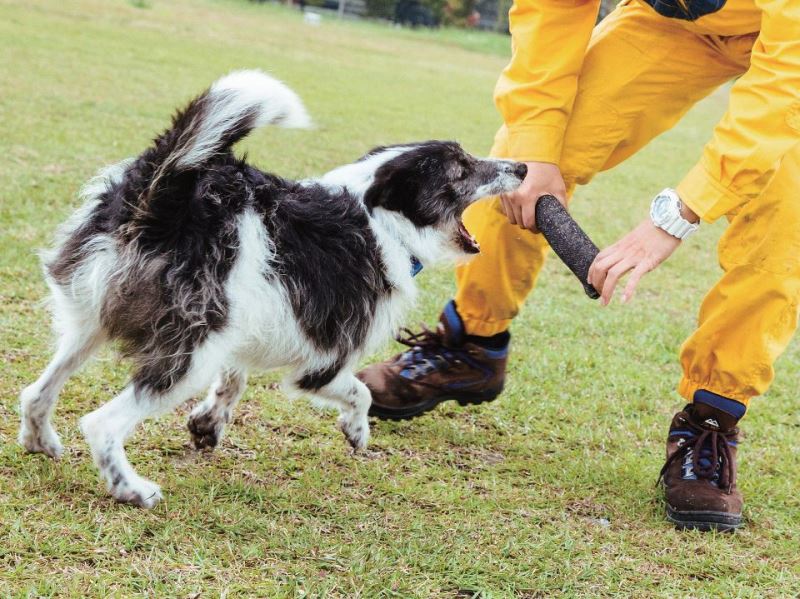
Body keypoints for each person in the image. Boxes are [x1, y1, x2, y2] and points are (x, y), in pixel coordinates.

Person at [358, 0, 800, 531]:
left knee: (782, 233)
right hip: (674, 25)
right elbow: (552, 10)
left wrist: (676, 216)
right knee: (513, 171)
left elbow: (783, 85)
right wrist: (538, 145)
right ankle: (470, 346)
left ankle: (712, 417)